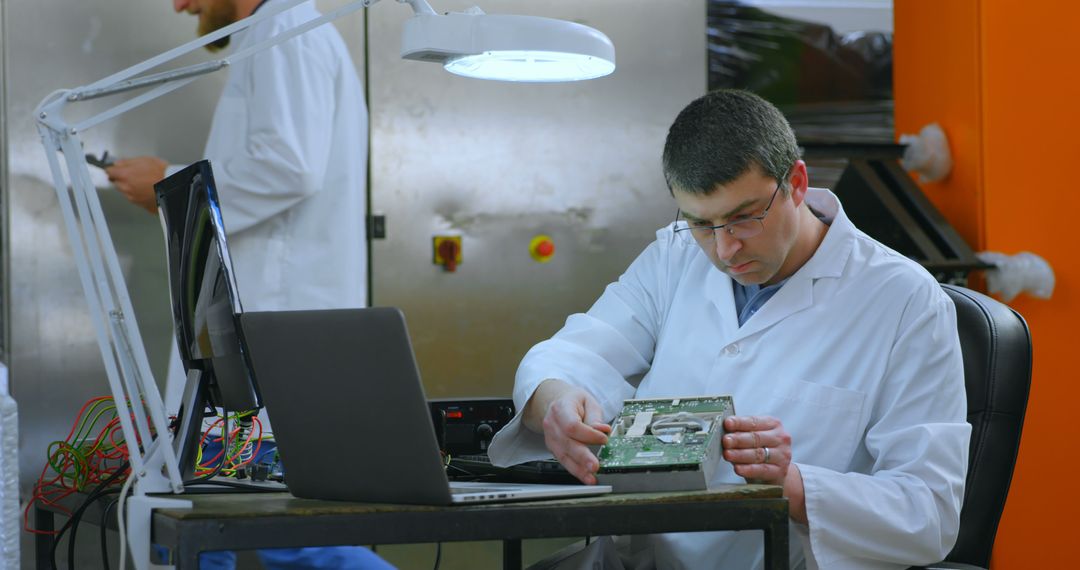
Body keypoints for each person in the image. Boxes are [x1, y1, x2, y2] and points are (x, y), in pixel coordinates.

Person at [487, 89, 970, 569]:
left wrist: (795, 485)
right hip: (637, 556)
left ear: (797, 183)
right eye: (701, 222)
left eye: (744, 218)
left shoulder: (904, 301)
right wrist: (556, 405)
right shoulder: (673, 257)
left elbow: (928, 514)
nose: (725, 250)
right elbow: (576, 353)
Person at [108, 1, 388, 568]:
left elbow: (289, 164)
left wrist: (170, 181)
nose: (181, 4)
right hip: (255, 342)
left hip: (266, 344)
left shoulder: (286, 28)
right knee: (217, 518)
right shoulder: (276, 32)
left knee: (281, 534)